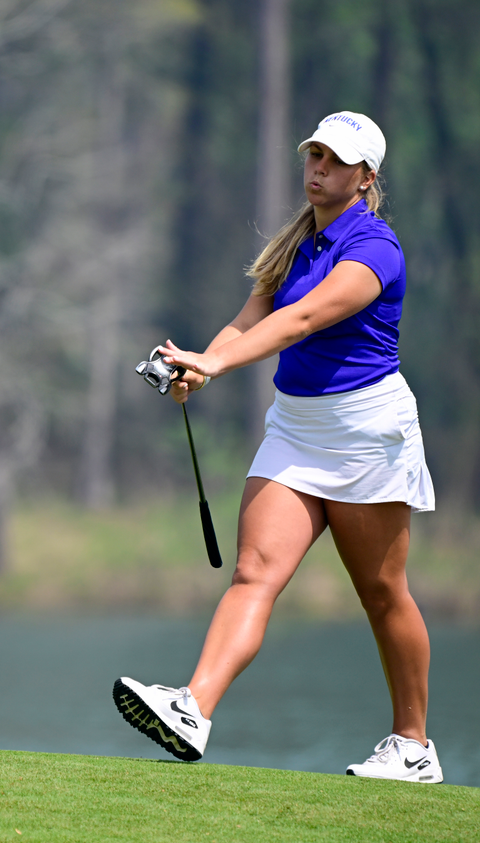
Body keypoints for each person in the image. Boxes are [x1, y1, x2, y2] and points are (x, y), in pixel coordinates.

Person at [113, 111, 442, 783]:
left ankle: (413, 746)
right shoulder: (295, 244)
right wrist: (200, 363)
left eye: (335, 159)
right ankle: (193, 707)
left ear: (366, 177)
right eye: (314, 154)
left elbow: (303, 319)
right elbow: (251, 320)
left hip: (365, 433)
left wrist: (218, 365)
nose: (318, 167)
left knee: (383, 594)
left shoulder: (376, 249)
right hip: (296, 425)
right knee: (254, 572)